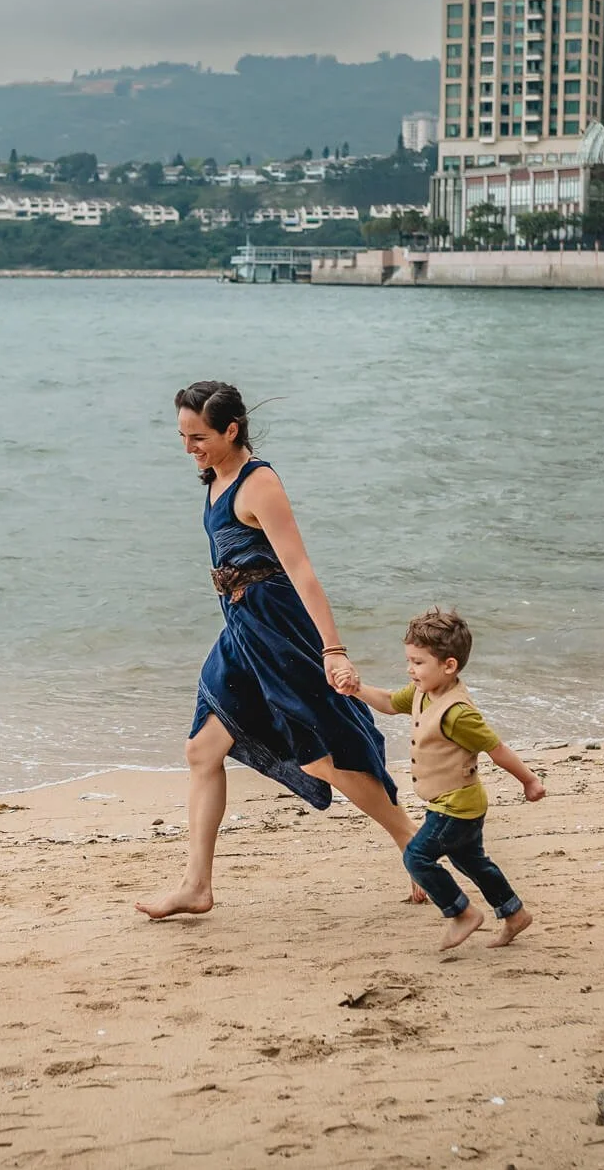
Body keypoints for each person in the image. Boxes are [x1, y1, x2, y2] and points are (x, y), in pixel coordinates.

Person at [136, 382, 420, 920]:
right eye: (182, 436)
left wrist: (332, 649)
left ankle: (413, 841)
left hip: (277, 633)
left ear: (231, 430)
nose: (188, 446)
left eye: (198, 436)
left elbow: (301, 569)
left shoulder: (257, 482)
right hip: (241, 634)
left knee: (321, 754)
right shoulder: (216, 478)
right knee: (202, 751)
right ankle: (196, 885)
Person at [346, 608, 543, 950]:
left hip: (457, 806)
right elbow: (391, 703)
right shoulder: (423, 692)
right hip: (451, 804)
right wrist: (357, 689)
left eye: (418, 662)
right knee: (473, 863)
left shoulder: (458, 713)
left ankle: (462, 913)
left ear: (448, 666)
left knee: (416, 858)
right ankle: (514, 913)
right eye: (409, 660)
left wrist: (529, 781)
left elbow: (496, 748)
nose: (411, 669)